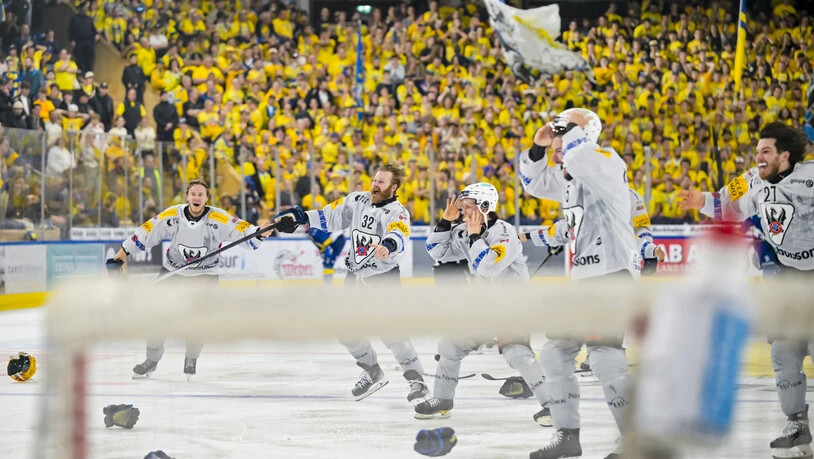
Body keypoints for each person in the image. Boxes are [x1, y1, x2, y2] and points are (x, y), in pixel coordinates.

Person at [678, 122, 813, 459]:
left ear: (786, 154)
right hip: (786, 280)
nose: (758, 157)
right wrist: (700, 200)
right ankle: (797, 426)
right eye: (756, 152)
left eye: (765, 151)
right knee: (783, 352)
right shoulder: (752, 178)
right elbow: (725, 202)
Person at [521, 109, 640, 459]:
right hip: (585, 283)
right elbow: (533, 183)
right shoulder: (571, 175)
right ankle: (568, 435)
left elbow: (580, 156)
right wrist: (537, 149)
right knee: (555, 353)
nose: (556, 143)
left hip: (612, 277)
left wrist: (568, 132)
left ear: (583, 134)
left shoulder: (605, 161)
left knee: (605, 359)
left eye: (562, 133)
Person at [273, 164, 429, 403]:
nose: (375, 185)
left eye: (382, 182)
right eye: (375, 180)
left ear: (393, 187)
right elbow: (329, 216)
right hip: (354, 276)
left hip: (383, 279)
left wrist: (387, 245)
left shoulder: (397, 212)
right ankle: (373, 371)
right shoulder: (358, 200)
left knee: (392, 333)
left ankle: (416, 380)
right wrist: (302, 218)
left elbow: (398, 232)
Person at [416, 182, 551, 428]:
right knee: (450, 344)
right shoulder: (464, 231)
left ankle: (553, 406)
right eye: (462, 208)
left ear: (485, 207)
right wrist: (445, 223)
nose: (462, 212)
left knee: (517, 354)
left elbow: (489, 266)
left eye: (467, 207)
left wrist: (476, 236)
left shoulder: (505, 233)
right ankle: (443, 401)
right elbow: (436, 252)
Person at [108, 179, 272, 380]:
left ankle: (191, 359)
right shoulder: (173, 215)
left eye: (200, 194)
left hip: (205, 275)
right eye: (193, 194)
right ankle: (152, 360)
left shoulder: (218, 218)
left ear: (206, 198)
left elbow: (242, 231)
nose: (196, 197)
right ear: (187, 196)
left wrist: (259, 232)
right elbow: (146, 232)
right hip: (173, 272)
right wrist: (122, 253)